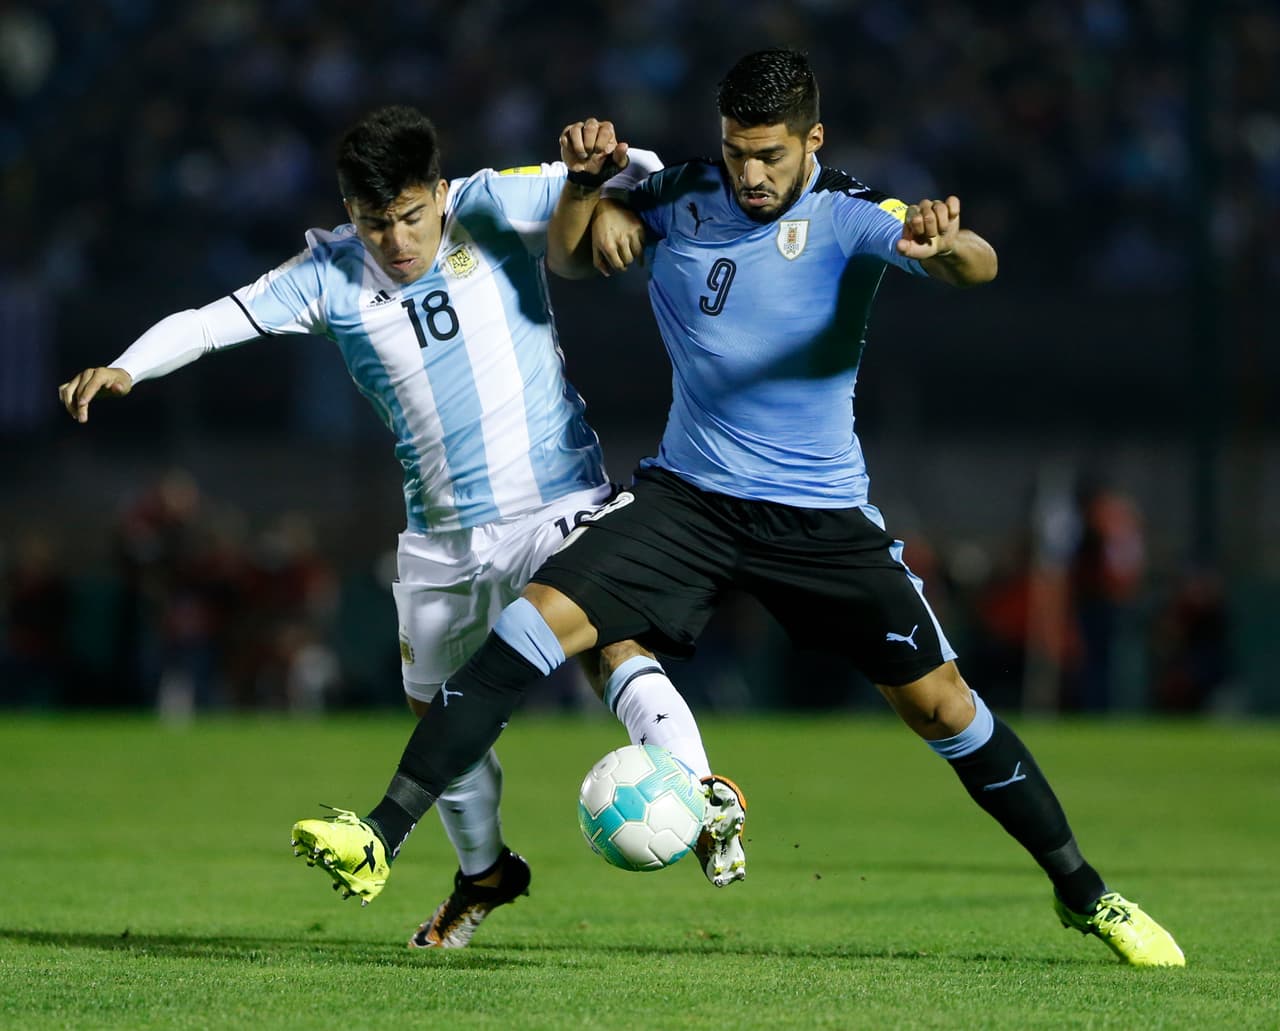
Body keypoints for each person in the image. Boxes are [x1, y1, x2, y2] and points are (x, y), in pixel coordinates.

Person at [289, 53, 1185, 967]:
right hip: (691, 500)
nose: (749, 174)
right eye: (734, 152)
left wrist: (948, 244)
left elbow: (976, 266)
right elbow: (574, 252)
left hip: (820, 519)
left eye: (767, 154)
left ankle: (1089, 896)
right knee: (527, 626)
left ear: (812, 141)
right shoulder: (683, 196)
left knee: (944, 708)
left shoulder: (846, 215)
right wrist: (591, 200)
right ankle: (384, 832)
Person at [58, 104, 747, 950]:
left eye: (412, 216)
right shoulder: (327, 276)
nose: (396, 239)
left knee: (611, 648)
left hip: (556, 500)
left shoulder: (492, 204)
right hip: (441, 540)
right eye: (374, 221)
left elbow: (643, 175)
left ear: (435, 193)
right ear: (350, 212)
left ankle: (698, 788)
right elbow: (212, 320)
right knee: (439, 718)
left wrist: (613, 157)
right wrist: (128, 364)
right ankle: (486, 871)